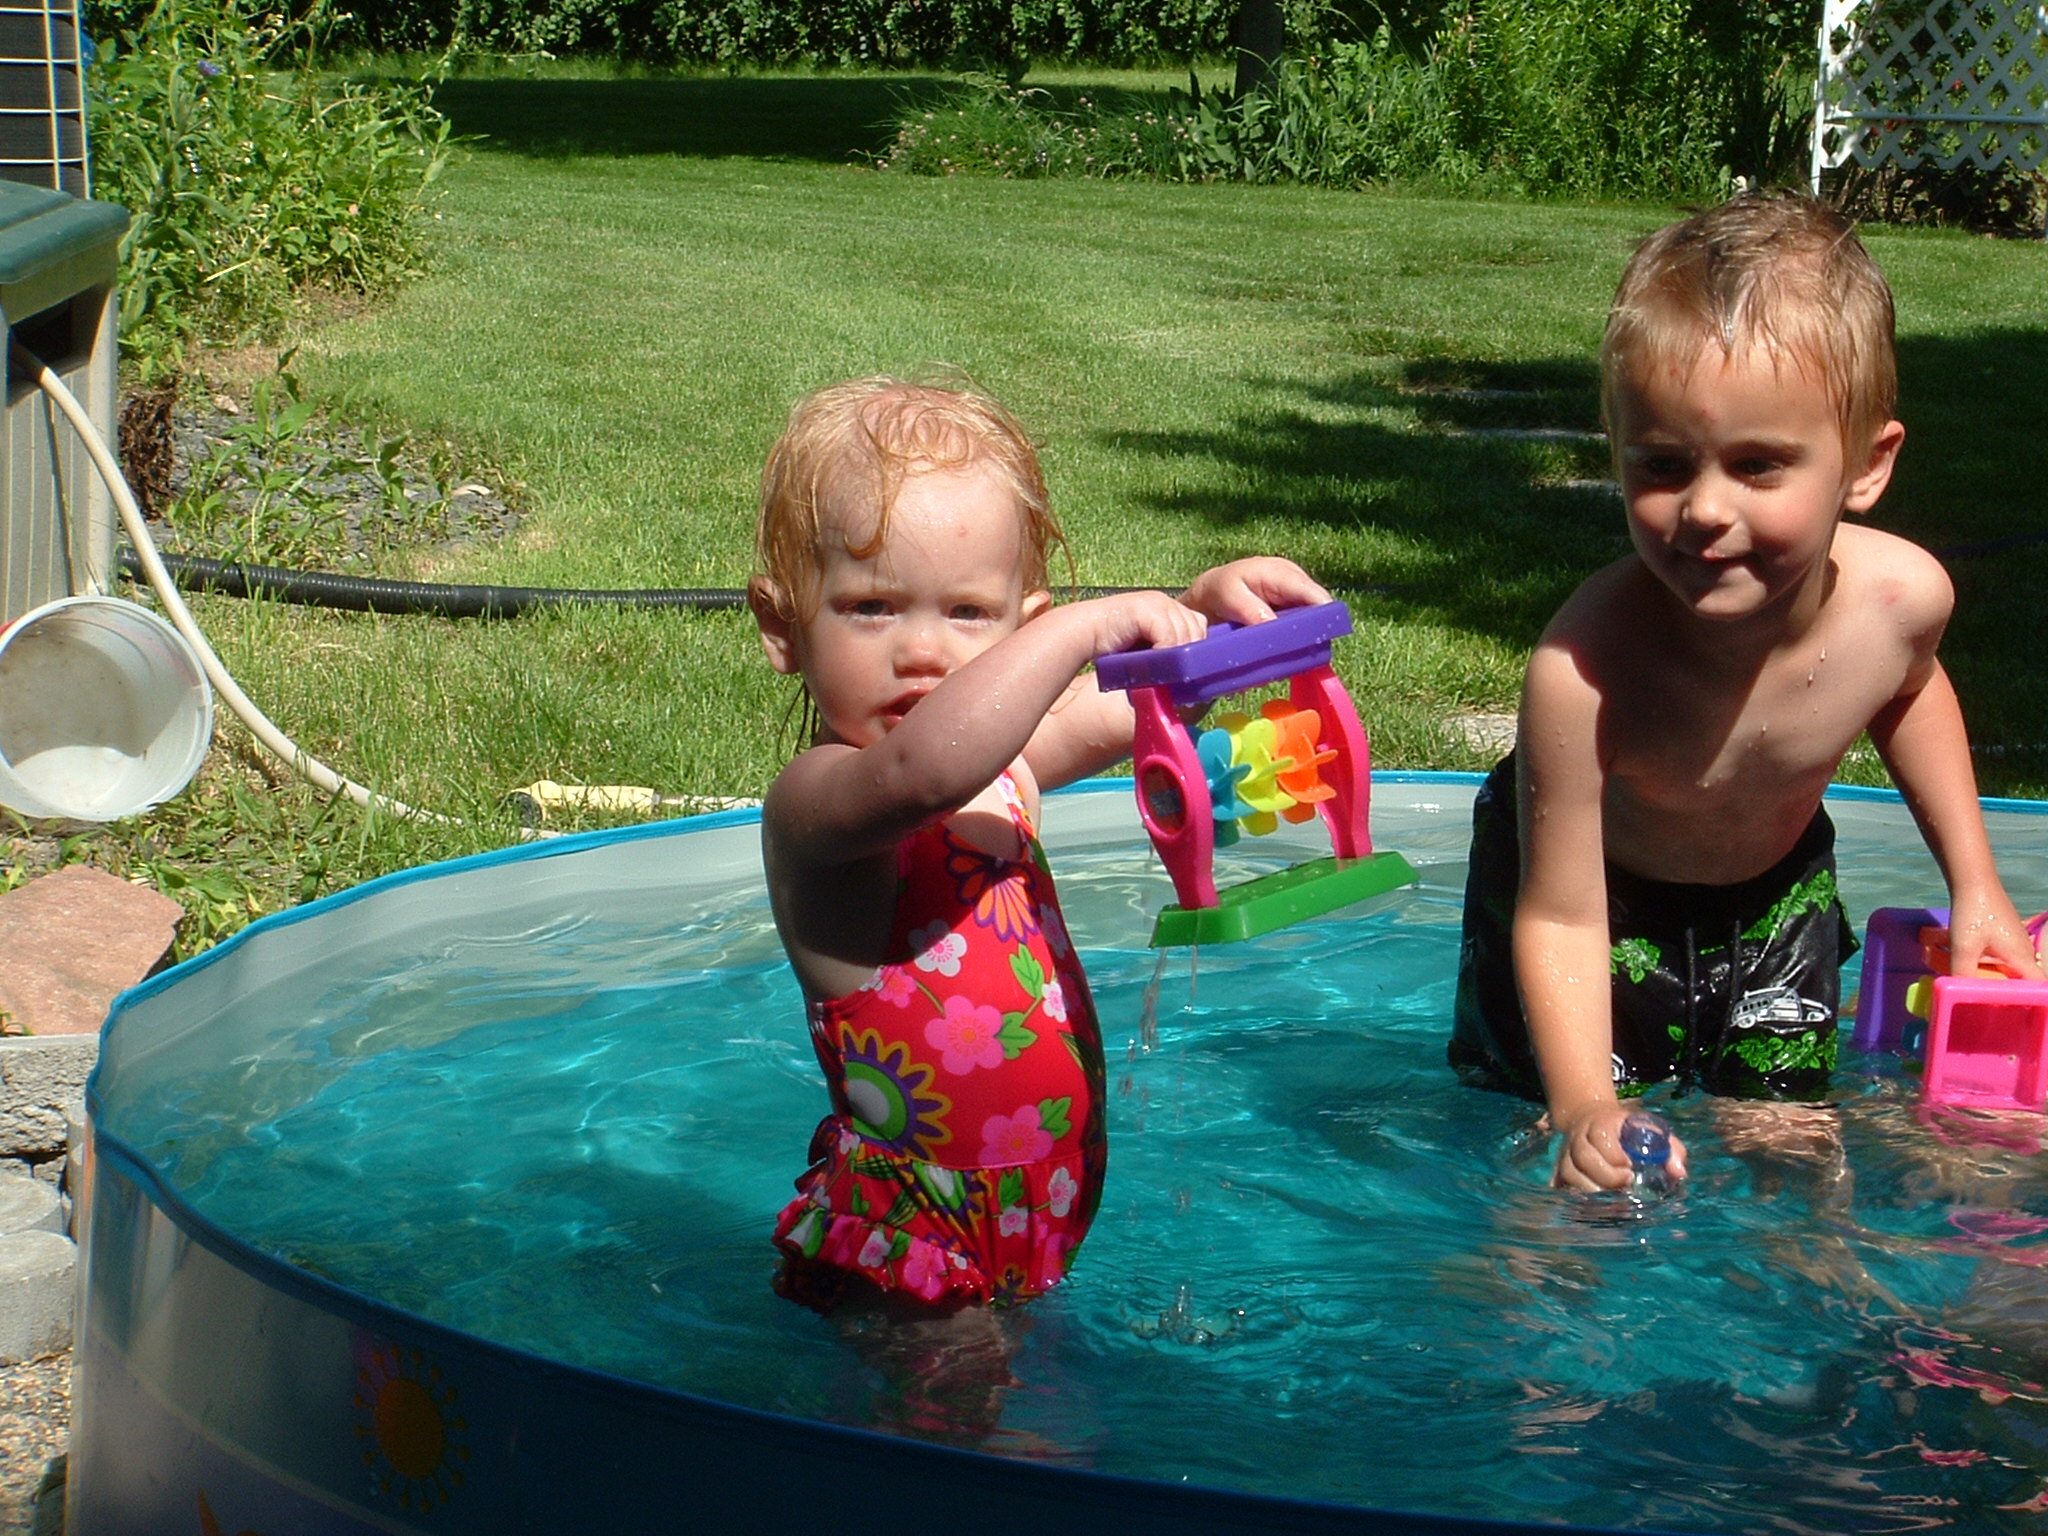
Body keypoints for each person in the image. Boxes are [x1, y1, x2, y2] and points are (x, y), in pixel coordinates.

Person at [1448, 190, 2041, 1192]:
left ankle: (1810, 1300)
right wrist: (1584, 1099)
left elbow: (1908, 693)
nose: (1703, 510)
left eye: (1758, 465)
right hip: (1598, 904)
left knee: (1790, 1142)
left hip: (1776, 897)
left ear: (1865, 465)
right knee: (1574, 1156)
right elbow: (1557, 915)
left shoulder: (1898, 601)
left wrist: (1973, 882)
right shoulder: (1581, 671)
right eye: (1662, 465)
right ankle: (1526, 1286)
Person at [748, 375, 1327, 1312]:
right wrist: (1081, 629)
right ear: (783, 627)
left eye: (968, 613)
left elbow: (1119, 705)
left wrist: (1206, 621)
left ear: (1018, 621)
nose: (922, 652)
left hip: (1020, 1230)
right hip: (917, 1248)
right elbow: (922, 772)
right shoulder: (822, 805)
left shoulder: (1000, 769)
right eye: (872, 607)